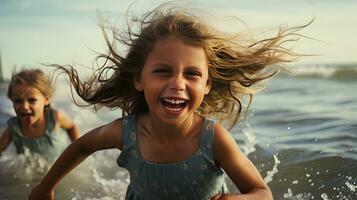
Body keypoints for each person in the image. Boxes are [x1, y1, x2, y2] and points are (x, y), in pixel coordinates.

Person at [29, 5, 309, 200]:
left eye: (192, 74)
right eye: (163, 71)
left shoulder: (213, 139)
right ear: (139, 79)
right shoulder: (127, 133)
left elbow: (263, 193)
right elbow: (82, 145)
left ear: (207, 84)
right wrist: (45, 186)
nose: (177, 83)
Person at [0, 69, 80, 161]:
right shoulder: (14, 127)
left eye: (32, 100)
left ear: (46, 99)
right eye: (18, 101)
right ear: (11, 100)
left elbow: (72, 126)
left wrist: (78, 151)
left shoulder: (55, 118)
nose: (25, 106)